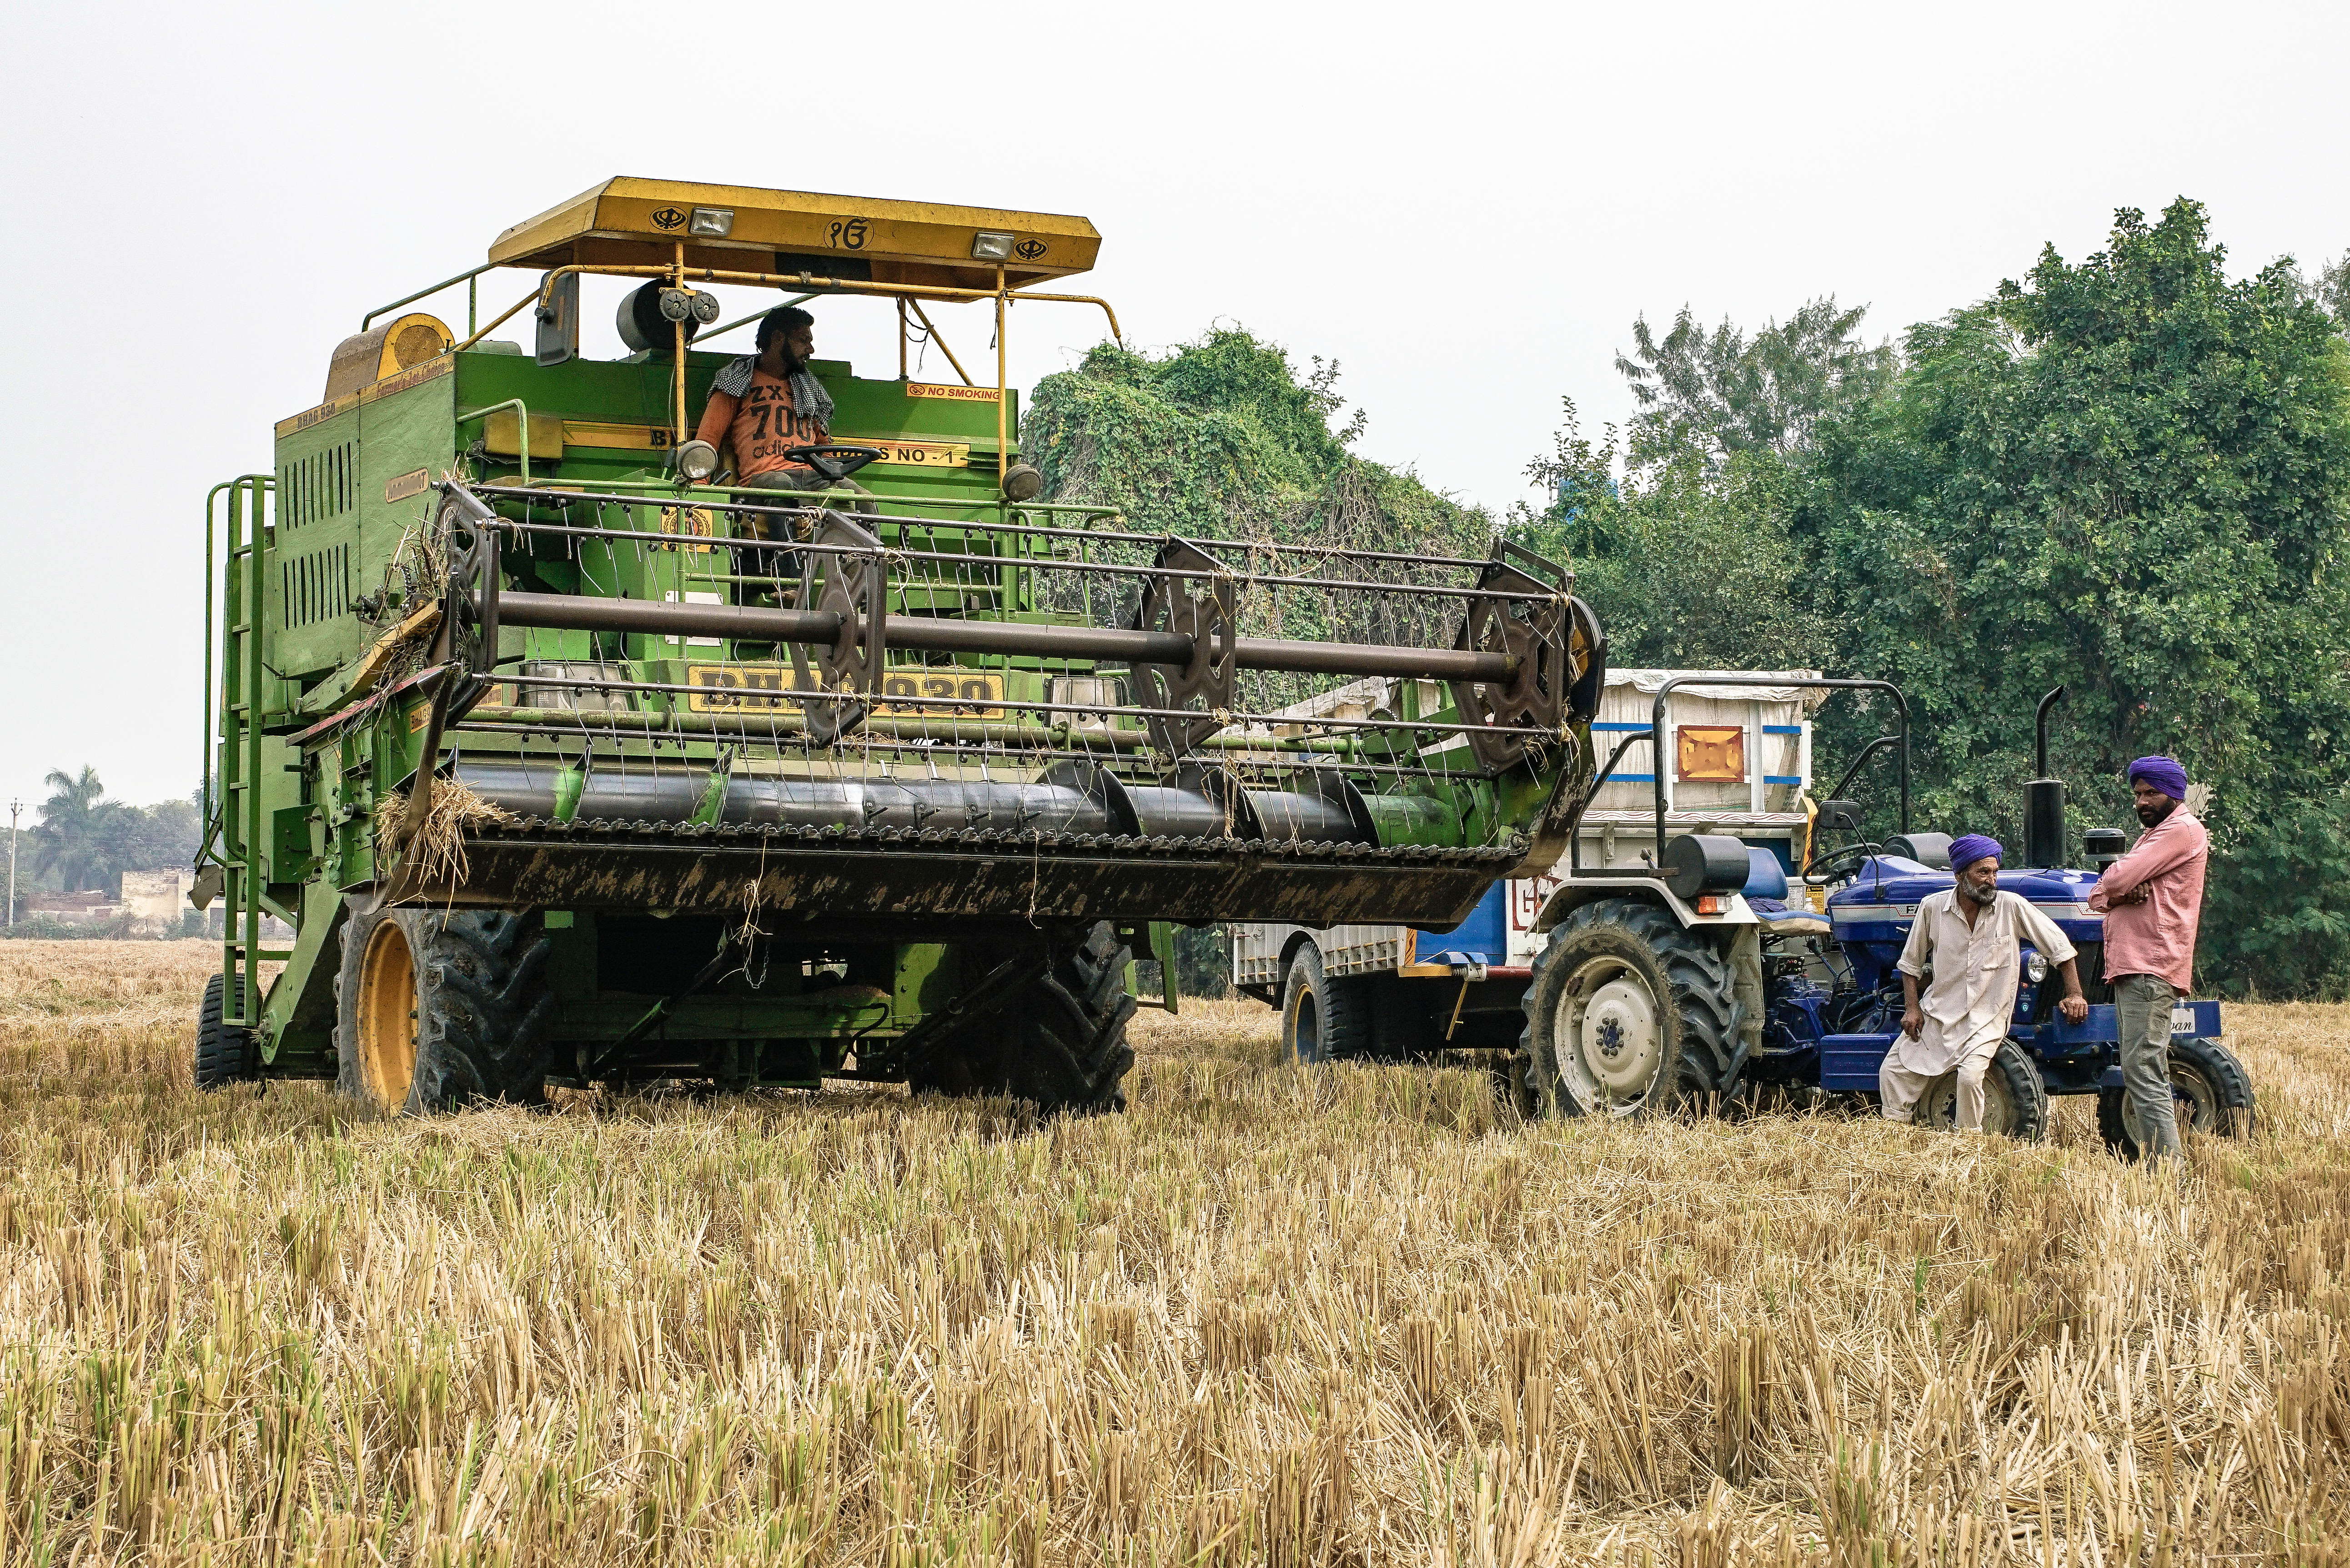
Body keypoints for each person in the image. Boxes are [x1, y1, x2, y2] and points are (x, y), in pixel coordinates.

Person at [1883, 834, 2090, 1131]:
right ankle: (1897, 1135)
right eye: (1983, 872)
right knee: (1893, 1071)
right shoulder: (1932, 907)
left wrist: (2075, 994)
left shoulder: (2011, 906)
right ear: (1960, 875)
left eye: (1994, 872)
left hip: (1986, 1018)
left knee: (1969, 1078)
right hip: (1939, 1012)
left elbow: (2059, 948)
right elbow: (1910, 964)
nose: (1991, 880)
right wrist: (1912, 1009)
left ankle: (1968, 1144)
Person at [2085, 756, 2208, 1162]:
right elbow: (2099, 895)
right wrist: (2118, 893)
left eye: (2152, 793)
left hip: (2150, 964)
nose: (2142, 801)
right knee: (2140, 1068)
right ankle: (2163, 1167)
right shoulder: (2152, 837)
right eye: (2138, 794)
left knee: (2144, 1069)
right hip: (2134, 967)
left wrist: (2119, 887)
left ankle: (2168, 1172)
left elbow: (2114, 879)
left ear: (2174, 793)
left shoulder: (2180, 831)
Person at [694, 305, 877, 521]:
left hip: (814, 478)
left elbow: (823, 444)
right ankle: (784, 544)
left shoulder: (807, 387)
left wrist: (831, 474)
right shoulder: (737, 380)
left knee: (863, 498)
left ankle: (869, 545)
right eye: (803, 340)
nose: (811, 349)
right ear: (778, 338)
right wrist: (699, 493)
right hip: (764, 478)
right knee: (781, 486)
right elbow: (707, 440)